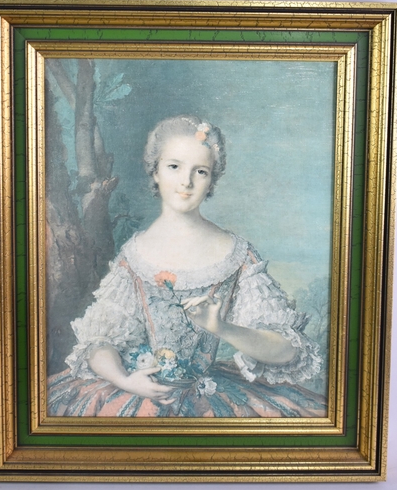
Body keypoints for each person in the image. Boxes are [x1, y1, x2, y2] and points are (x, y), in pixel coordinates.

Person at [47, 115, 326, 417]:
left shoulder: (238, 254)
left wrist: (222, 327)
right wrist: (125, 380)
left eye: (200, 171)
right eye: (174, 167)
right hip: (139, 393)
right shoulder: (134, 256)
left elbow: (287, 350)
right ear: (155, 171)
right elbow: (98, 342)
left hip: (210, 396)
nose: (186, 182)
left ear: (212, 180)